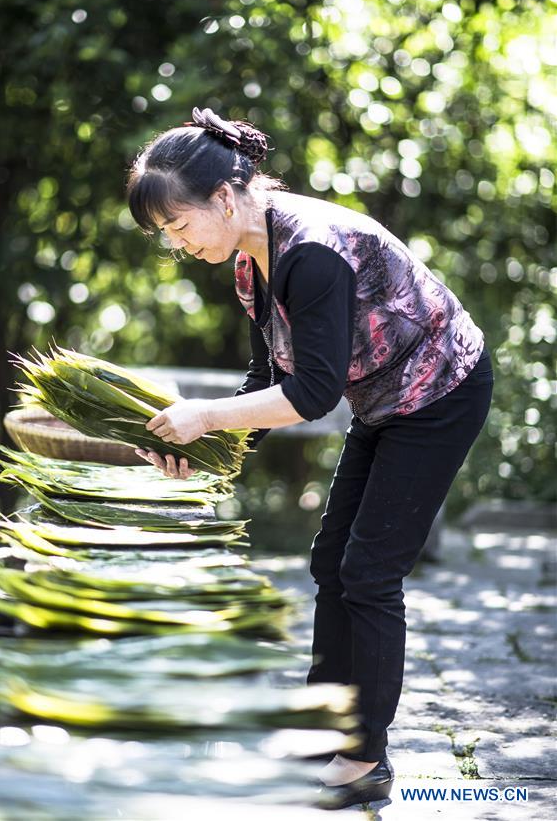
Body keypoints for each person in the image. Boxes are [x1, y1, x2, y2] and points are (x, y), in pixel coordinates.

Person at [126, 106, 494, 809]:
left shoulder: (311, 251)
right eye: (165, 234)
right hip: (386, 400)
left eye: (179, 225)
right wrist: (205, 451)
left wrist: (204, 416)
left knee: (370, 573)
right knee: (331, 565)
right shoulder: (251, 264)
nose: (175, 243)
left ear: (224, 198)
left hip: (441, 391)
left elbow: (314, 394)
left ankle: (364, 761)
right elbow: (268, 383)